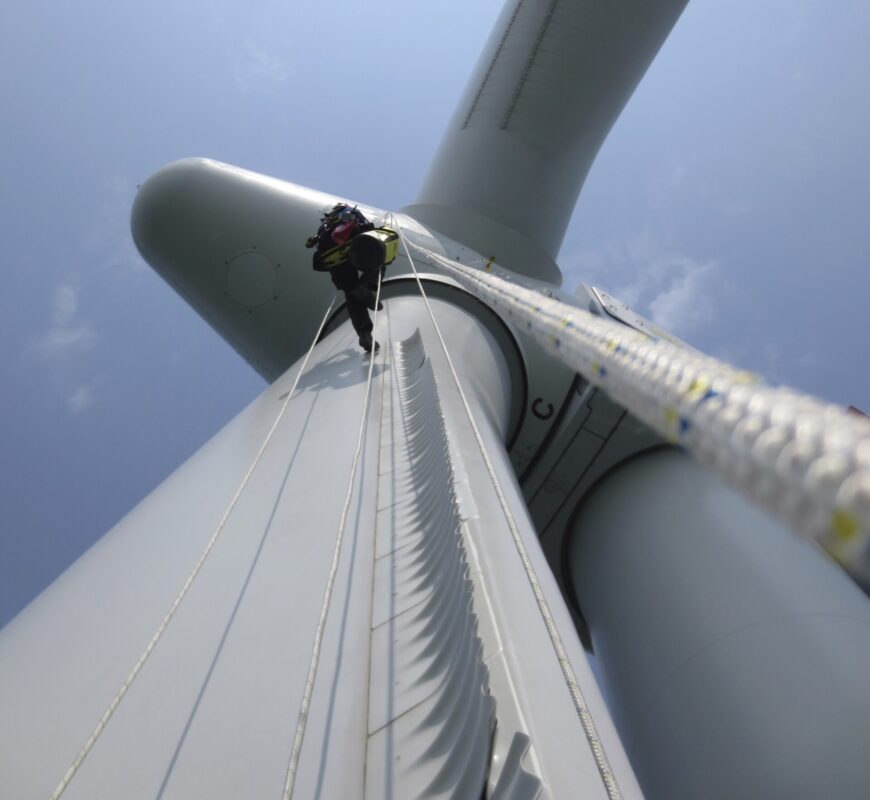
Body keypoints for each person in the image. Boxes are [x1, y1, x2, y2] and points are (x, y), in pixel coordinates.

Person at [306, 203, 384, 352]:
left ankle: (364, 332)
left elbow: (313, 244)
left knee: (350, 288)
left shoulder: (326, 226)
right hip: (355, 241)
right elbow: (366, 228)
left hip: (331, 251)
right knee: (377, 261)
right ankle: (367, 289)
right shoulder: (350, 214)